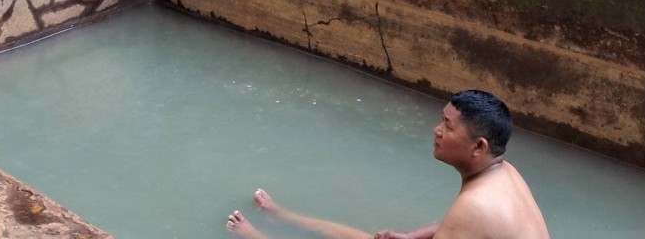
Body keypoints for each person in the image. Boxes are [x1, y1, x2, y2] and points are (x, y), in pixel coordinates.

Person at [225, 90, 549, 239]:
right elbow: (473, 228)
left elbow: (469, 221)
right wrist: (412, 236)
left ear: (479, 147)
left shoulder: (476, 205)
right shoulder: (505, 174)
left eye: (448, 127)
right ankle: (283, 217)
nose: (437, 130)